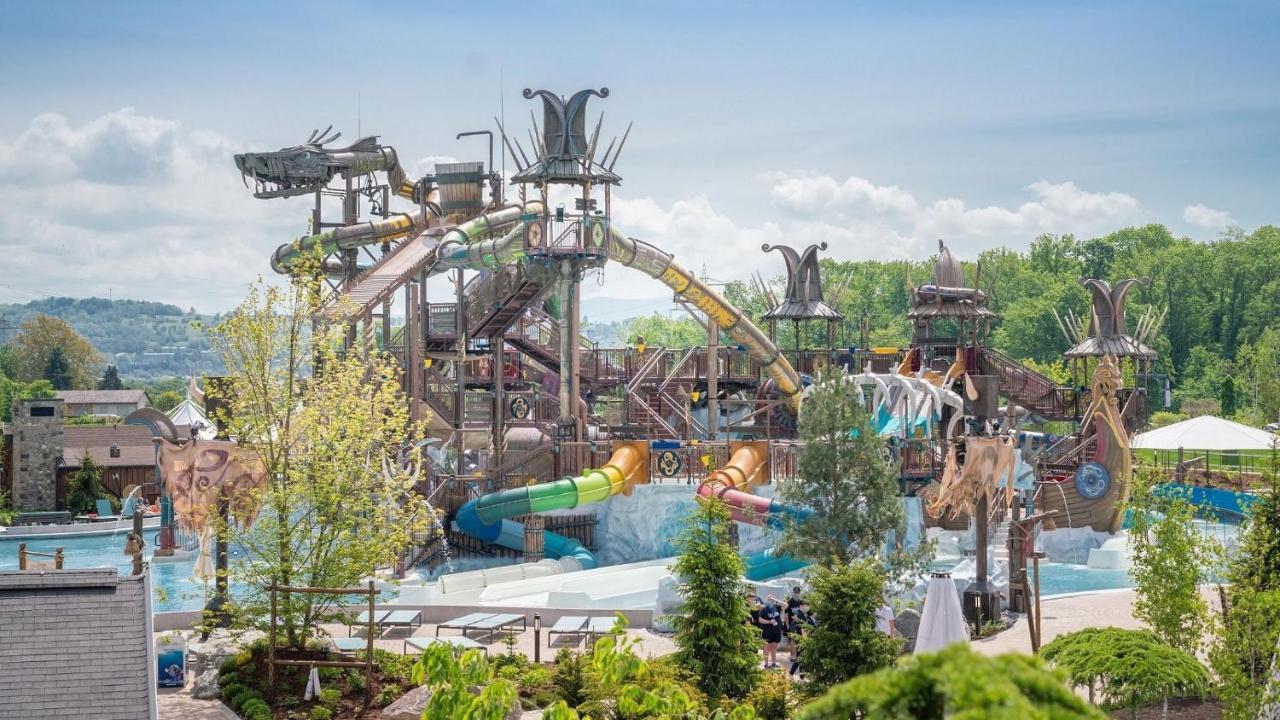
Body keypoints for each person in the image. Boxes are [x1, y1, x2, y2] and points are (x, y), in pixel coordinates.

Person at [788, 600, 815, 677]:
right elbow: (794, 625)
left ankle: (799, 675)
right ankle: (794, 674)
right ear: (801, 606)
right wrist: (794, 637)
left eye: (807, 606)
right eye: (805, 605)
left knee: (801, 658)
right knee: (800, 657)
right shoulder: (798, 613)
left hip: (803, 638)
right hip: (800, 639)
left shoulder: (803, 614)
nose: (807, 607)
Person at [759, 595, 784, 668]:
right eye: (769, 598)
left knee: (774, 647)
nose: (771, 600)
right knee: (766, 647)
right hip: (767, 631)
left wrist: (776, 600)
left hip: (776, 631)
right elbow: (760, 620)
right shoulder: (764, 608)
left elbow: (786, 605)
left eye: (772, 598)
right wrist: (769, 621)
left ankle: (773, 663)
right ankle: (766, 664)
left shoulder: (777, 607)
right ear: (766, 600)